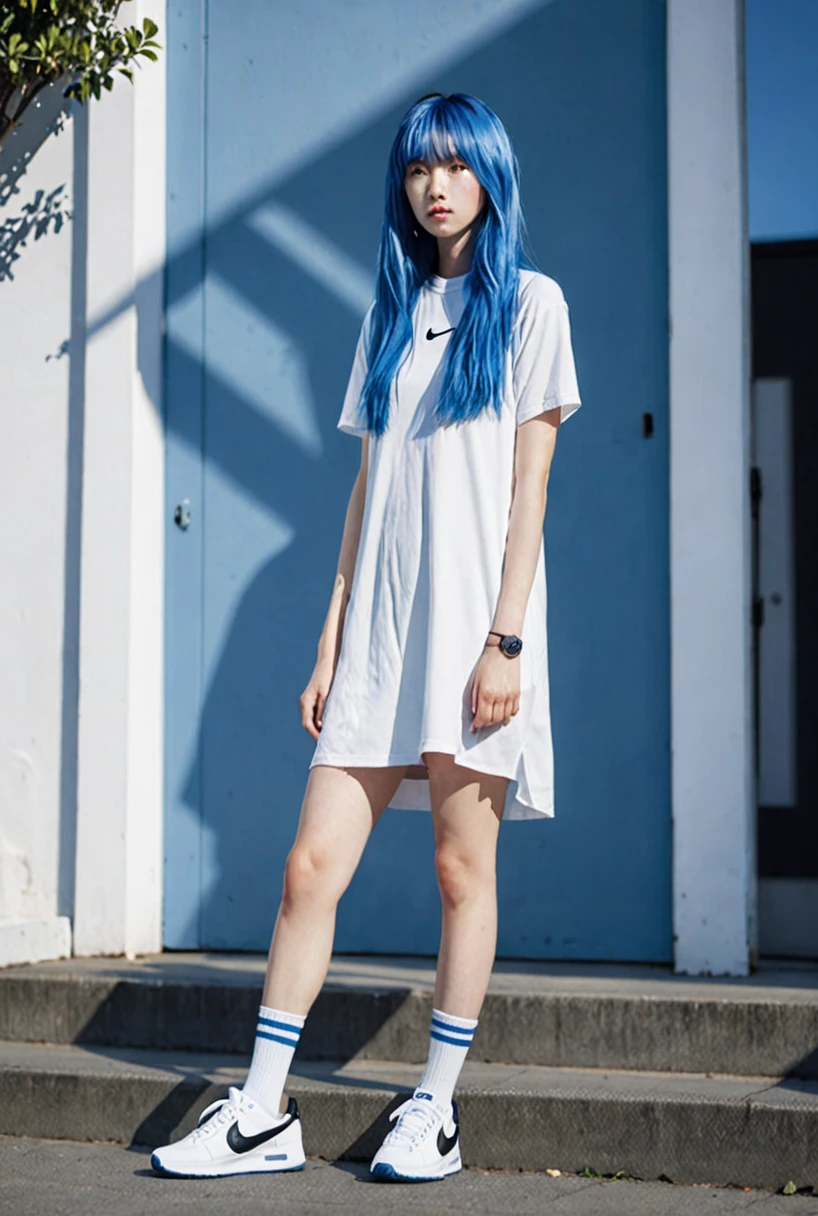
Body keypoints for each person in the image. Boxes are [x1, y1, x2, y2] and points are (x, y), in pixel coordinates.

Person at [150, 91, 581, 1183]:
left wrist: (507, 641)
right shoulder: (386, 315)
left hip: (478, 634)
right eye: (415, 169)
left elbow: (528, 494)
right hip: (381, 638)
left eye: (453, 166)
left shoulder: (532, 305)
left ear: (489, 174)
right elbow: (365, 495)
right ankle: (259, 1110)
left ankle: (433, 1104)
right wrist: (332, 640)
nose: (434, 186)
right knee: (308, 866)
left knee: (456, 868)